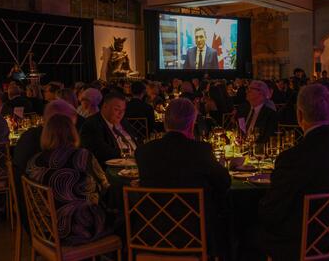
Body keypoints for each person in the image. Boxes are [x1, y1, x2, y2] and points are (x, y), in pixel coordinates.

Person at [259, 84, 329, 260]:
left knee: (249, 235)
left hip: (306, 246)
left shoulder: (291, 158)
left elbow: (272, 211)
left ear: (299, 115)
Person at [135, 98, 230, 256]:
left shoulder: (143, 152)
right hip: (194, 232)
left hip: (151, 230)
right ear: (192, 124)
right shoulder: (201, 151)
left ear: (165, 122)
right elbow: (225, 182)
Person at [25, 114, 111, 245]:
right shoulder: (82, 156)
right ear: (73, 133)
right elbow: (104, 186)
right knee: (123, 218)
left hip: (44, 230)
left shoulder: (34, 161)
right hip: (78, 230)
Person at [12, 99, 78, 232]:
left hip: (31, 214)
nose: (72, 129)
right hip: (57, 224)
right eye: (70, 124)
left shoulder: (28, 137)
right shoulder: (50, 152)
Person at [80, 92, 138, 167]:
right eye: (117, 109)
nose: (121, 113)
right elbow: (101, 151)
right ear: (105, 106)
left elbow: (136, 140)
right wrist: (129, 153)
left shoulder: (123, 121)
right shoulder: (91, 125)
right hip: (116, 167)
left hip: (137, 162)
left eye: (123, 110)